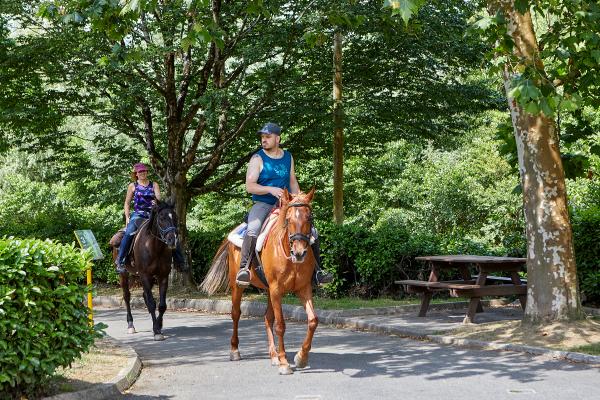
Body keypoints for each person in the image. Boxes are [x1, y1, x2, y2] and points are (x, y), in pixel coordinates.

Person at [235, 122, 333, 287]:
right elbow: (249, 186)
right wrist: (270, 189)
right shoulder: (257, 158)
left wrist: (299, 200)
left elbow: (293, 182)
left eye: (267, 137)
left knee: (312, 231)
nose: (264, 140)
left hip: (287, 205)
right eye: (262, 137)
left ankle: (318, 272)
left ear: (277, 138)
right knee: (253, 229)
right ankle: (244, 269)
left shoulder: (288, 157)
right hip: (263, 204)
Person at [115, 162, 186, 273]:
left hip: (153, 215)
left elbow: (158, 199)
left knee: (170, 231)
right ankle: (120, 261)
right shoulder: (132, 186)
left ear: (147, 172)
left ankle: (180, 262)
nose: (143, 173)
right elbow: (127, 203)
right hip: (138, 215)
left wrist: (156, 202)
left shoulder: (154, 184)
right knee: (129, 232)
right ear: (136, 174)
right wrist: (127, 217)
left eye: (144, 171)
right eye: (140, 171)